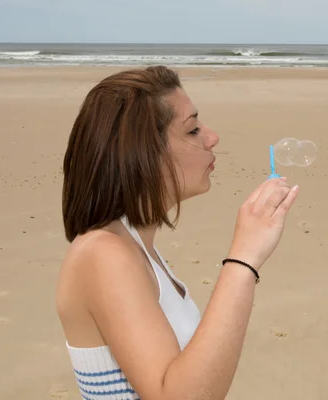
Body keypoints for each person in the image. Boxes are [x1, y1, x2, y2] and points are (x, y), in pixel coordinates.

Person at [56, 65, 299, 400]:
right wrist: (244, 258)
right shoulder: (103, 253)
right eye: (193, 129)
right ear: (142, 153)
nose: (212, 137)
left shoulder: (138, 247)